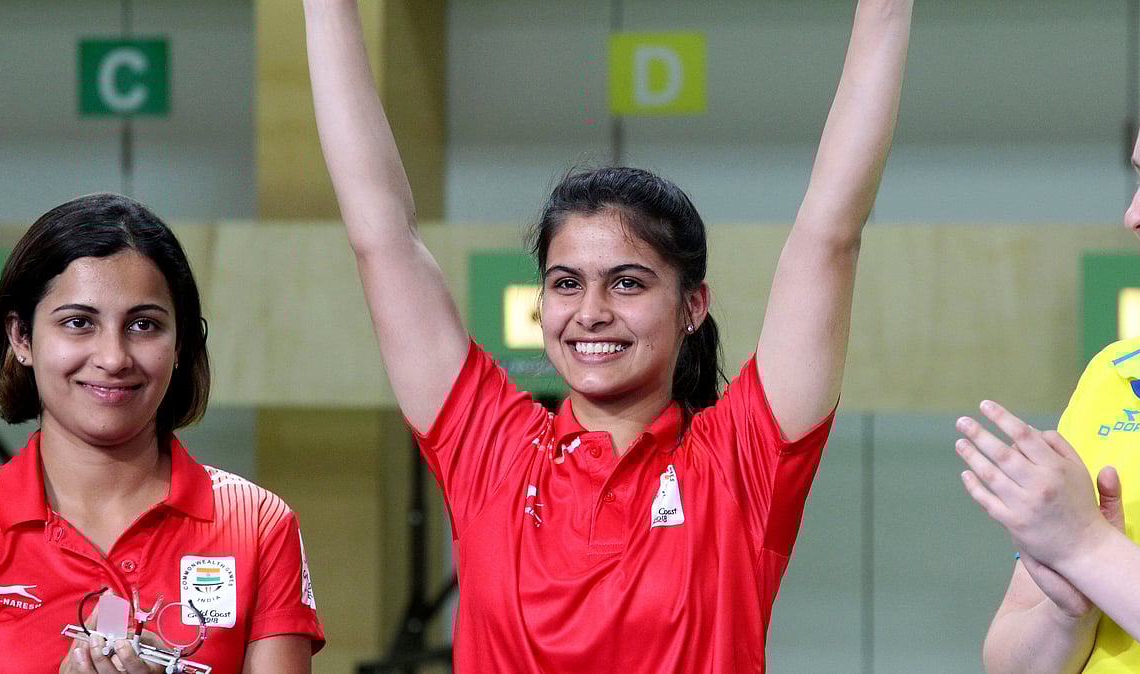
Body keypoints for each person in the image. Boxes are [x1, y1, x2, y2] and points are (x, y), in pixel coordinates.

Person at [305, 0, 911, 670]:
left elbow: (830, 235)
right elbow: (381, 235)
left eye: (627, 283)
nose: (590, 312)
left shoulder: (741, 463)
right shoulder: (491, 451)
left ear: (692, 305)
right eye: (567, 283)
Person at [0, 194, 324, 673]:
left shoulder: (255, 524)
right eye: (79, 323)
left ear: (180, 342)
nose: (113, 358)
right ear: (21, 337)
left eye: (143, 324)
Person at [955, 57, 1140, 674]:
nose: (1137, 211)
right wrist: (1070, 611)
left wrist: (1089, 550)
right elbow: (1010, 662)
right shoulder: (1116, 376)